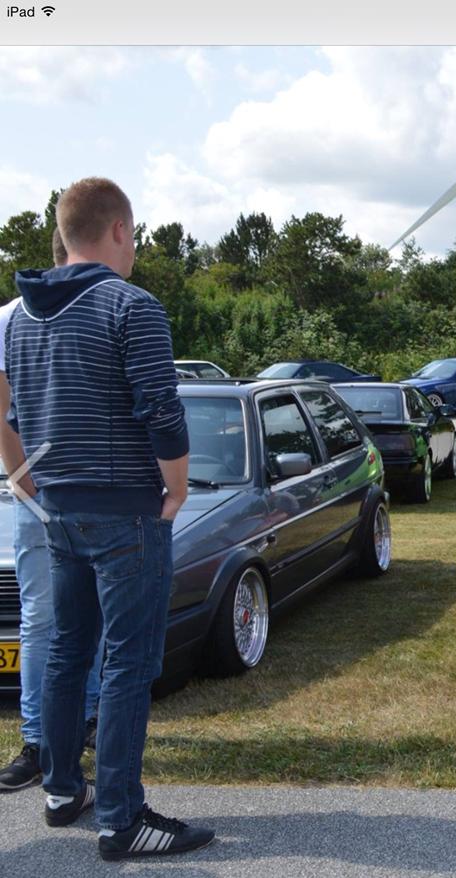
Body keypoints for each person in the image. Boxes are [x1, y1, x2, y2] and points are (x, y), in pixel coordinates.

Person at [6, 178, 213, 860]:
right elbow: (161, 406)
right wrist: (177, 489)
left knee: (68, 650)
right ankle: (121, 820)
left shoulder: (22, 318)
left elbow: (16, 414)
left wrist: (31, 483)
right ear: (120, 231)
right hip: (126, 511)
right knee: (126, 663)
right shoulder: (131, 306)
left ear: (65, 233)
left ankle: (64, 790)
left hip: (56, 511)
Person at [0, 229, 103, 793]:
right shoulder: (13, 318)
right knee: (44, 618)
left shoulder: (104, 306)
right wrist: (21, 479)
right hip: (40, 490)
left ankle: (82, 720)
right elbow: (1, 411)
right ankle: (38, 740)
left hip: (98, 488)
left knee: (95, 615)